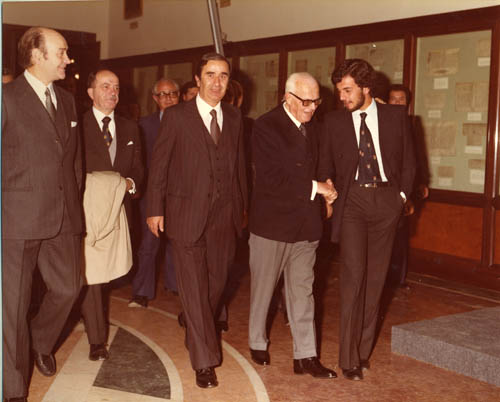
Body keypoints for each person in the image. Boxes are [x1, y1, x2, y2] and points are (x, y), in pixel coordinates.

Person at [146, 53, 247, 389]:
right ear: (198, 79)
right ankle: (204, 361)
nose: (217, 82)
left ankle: (195, 325)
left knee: (215, 285)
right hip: (185, 215)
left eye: (223, 75)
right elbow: (159, 166)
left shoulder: (235, 117)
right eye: (211, 74)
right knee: (193, 286)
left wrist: (243, 210)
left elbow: (239, 168)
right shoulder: (177, 116)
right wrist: (154, 208)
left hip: (225, 216)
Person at [318, 59, 416, 381]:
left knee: (375, 281)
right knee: (353, 277)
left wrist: (400, 198)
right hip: (353, 203)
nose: (342, 97)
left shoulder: (395, 117)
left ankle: (362, 352)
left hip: (386, 201)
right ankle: (348, 358)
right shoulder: (333, 122)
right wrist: (328, 190)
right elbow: (325, 166)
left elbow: (410, 163)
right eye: (339, 91)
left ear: (366, 88)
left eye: (348, 90)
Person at [2, 27, 84, 402]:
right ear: (37, 55)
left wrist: (75, 206)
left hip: (62, 218)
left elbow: (74, 162)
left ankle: (39, 341)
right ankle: (12, 389)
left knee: (69, 288)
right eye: (61, 52)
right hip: (16, 219)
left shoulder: (67, 100)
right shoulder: (6, 97)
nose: (68, 59)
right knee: (11, 311)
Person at [248, 72, 337, 379]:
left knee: (303, 291)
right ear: (287, 97)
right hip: (271, 225)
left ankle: (306, 356)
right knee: (264, 289)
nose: (311, 108)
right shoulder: (266, 126)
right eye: (305, 102)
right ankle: (257, 341)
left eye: (316, 102)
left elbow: (322, 164)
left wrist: (328, 188)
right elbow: (271, 178)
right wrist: (316, 187)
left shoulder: (315, 127)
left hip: (306, 225)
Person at [80, 69, 143, 361]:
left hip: (119, 212)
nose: (112, 92)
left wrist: (131, 184)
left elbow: (139, 170)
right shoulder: (76, 126)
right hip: (88, 211)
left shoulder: (130, 128)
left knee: (107, 273)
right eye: (105, 86)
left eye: (116, 87)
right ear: (90, 92)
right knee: (92, 275)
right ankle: (96, 340)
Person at [129, 78, 180, 308]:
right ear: (154, 98)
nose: (168, 98)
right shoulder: (143, 125)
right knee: (149, 244)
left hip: (180, 195)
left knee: (177, 243)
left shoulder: (189, 123)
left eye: (172, 94)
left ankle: (175, 284)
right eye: (162, 94)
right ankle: (141, 292)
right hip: (152, 195)